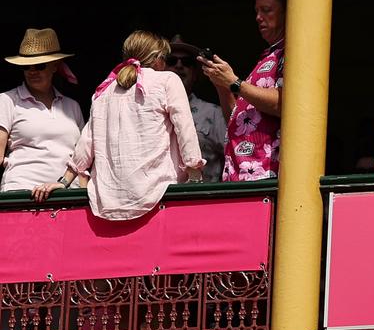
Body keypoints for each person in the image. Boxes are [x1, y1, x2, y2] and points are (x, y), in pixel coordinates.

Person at [33, 31, 203, 220]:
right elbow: (185, 130)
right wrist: (195, 178)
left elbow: (86, 141)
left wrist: (65, 181)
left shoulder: (104, 89)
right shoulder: (168, 80)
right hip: (158, 198)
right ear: (157, 60)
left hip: (107, 204)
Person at [200, 0, 285, 181]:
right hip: (239, 176)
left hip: (265, 175)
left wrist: (234, 82)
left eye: (266, 10)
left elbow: (284, 103)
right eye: (256, 11)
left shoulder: (291, 51)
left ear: (288, 11)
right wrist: (222, 85)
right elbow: (238, 120)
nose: (258, 17)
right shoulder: (267, 57)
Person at [0, 28, 84, 193]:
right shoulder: (7, 100)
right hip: (22, 192)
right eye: (26, 67)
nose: (32, 71)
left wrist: (84, 193)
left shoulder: (72, 106)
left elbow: (83, 157)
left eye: (39, 65)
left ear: (55, 66)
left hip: (68, 195)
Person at [166, 36, 227, 182]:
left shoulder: (214, 113)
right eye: (171, 61)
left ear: (195, 74)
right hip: (161, 199)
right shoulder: (150, 110)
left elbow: (235, 156)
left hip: (203, 199)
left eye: (186, 62)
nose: (179, 66)